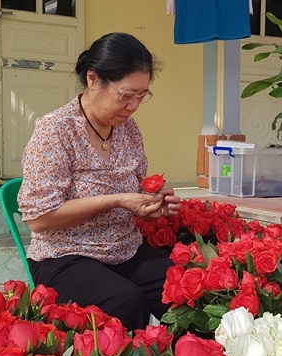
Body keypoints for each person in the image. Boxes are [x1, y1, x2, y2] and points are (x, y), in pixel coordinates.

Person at [18, 33, 181, 330]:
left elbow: (134, 191)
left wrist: (150, 204)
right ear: (93, 79)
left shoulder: (128, 130)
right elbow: (39, 219)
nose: (134, 106)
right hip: (65, 255)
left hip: (124, 249)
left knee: (185, 290)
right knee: (126, 301)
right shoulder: (56, 131)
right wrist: (117, 200)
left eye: (142, 96)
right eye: (126, 95)